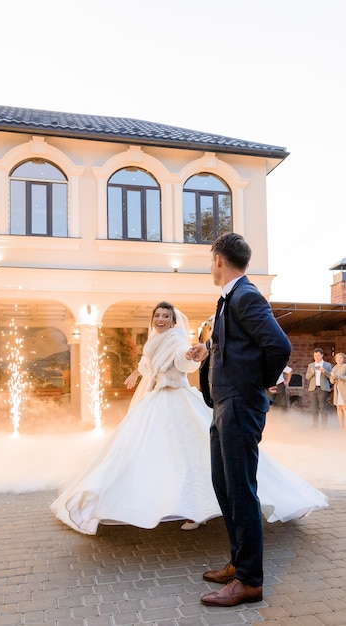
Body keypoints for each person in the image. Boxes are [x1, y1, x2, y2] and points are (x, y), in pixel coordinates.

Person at [50, 299, 326, 540]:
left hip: (176, 397)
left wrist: (188, 355)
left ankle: (197, 510)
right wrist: (137, 374)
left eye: (165, 316)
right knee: (146, 453)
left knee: (190, 453)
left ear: (172, 321)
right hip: (156, 399)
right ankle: (154, 500)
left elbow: (185, 364)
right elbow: (148, 365)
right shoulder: (152, 341)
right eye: (157, 315)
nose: (160, 319)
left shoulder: (176, 340)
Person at [188, 232, 293, 608]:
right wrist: (209, 347)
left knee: (241, 490)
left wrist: (257, 385)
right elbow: (235, 340)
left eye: (209, 258)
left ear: (218, 259)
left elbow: (279, 346)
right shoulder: (230, 299)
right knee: (225, 486)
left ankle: (250, 580)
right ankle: (238, 561)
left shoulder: (246, 295)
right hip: (223, 406)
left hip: (239, 405)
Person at [306, 348, 332, 428]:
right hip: (313, 389)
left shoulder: (327, 365)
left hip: (323, 388)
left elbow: (331, 377)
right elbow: (307, 377)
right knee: (314, 407)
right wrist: (312, 373)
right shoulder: (311, 365)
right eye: (315, 355)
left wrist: (324, 371)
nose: (316, 357)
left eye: (318, 355)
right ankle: (315, 424)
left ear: (322, 355)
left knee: (323, 407)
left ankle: (324, 425)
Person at [330, 352, 346, 430]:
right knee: (339, 407)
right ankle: (341, 425)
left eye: (341, 358)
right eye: (337, 358)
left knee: (344, 407)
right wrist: (332, 378)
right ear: (335, 359)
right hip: (337, 390)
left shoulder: (345, 367)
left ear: (343, 359)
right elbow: (332, 382)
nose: (339, 359)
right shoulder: (334, 368)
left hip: (344, 389)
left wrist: (339, 376)